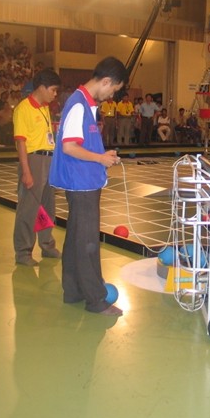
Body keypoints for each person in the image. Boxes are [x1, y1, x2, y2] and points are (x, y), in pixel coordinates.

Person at [49, 56, 128, 316]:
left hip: (84, 181)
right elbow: (69, 146)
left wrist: (102, 155)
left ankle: (73, 291)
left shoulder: (86, 104)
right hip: (80, 183)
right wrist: (100, 159)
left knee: (76, 238)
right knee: (87, 242)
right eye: (113, 89)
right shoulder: (78, 104)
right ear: (106, 81)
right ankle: (96, 300)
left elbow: (81, 143)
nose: (111, 95)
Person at [12, 69, 62, 266]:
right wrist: (26, 171)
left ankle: (47, 245)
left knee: (47, 207)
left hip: (49, 159)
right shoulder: (23, 109)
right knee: (29, 208)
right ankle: (23, 252)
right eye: (53, 90)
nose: (55, 94)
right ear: (41, 87)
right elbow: (21, 143)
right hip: (33, 160)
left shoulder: (44, 108)